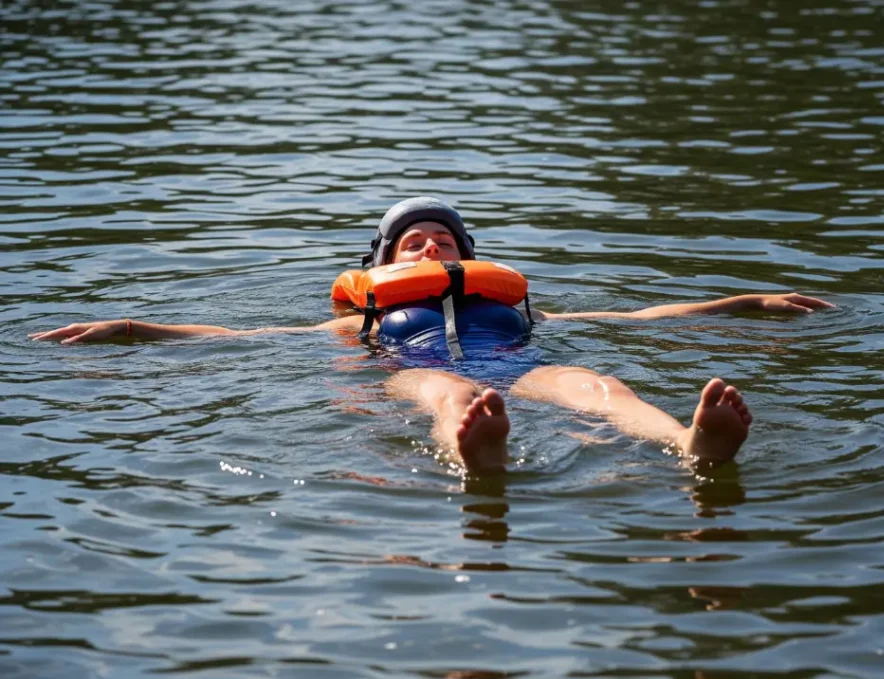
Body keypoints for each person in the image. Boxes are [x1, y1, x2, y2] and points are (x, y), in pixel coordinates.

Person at [30, 197, 834, 474]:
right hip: (410, 368)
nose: (428, 247)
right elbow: (242, 334)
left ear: (469, 257)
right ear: (381, 265)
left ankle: (689, 445)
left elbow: (638, 319)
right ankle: (472, 452)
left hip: (517, 366)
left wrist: (745, 301)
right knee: (447, 394)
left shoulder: (522, 311)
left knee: (598, 386)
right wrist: (133, 326)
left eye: (442, 239)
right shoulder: (363, 317)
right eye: (411, 243)